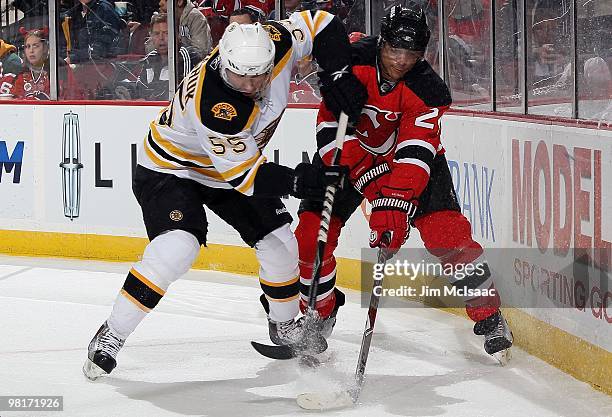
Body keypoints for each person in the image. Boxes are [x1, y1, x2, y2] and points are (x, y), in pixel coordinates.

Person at [83, 9, 367, 380]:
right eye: (239, 76)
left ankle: (282, 325)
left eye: (258, 77)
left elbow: (320, 23)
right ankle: (112, 334)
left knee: (281, 244)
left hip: (229, 168)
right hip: (172, 169)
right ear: (223, 63)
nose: (250, 86)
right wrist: (303, 181)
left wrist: (339, 72)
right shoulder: (215, 104)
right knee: (178, 248)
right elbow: (248, 178)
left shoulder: (275, 42)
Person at [296, 3, 513, 357]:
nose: (400, 60)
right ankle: (319, 313)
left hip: (412, 165)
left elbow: (416, 151)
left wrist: (393, 204)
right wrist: (367, 178)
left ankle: (489, 314)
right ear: (380, 42)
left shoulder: (429, 90)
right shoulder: (349, 61)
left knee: (448, 234)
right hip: (349, 157)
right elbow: (328, 128)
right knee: (310, 235)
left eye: (410, 53)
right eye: (393, 50)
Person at [137, 13, 201, 100]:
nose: (161, 38)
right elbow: (139, 90)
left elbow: (185, 94)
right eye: (156, 34)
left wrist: (150, 99)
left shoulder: (188, 57)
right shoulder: (150, 59)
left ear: (177, 35)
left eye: (166, 33)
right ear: (151, 36)